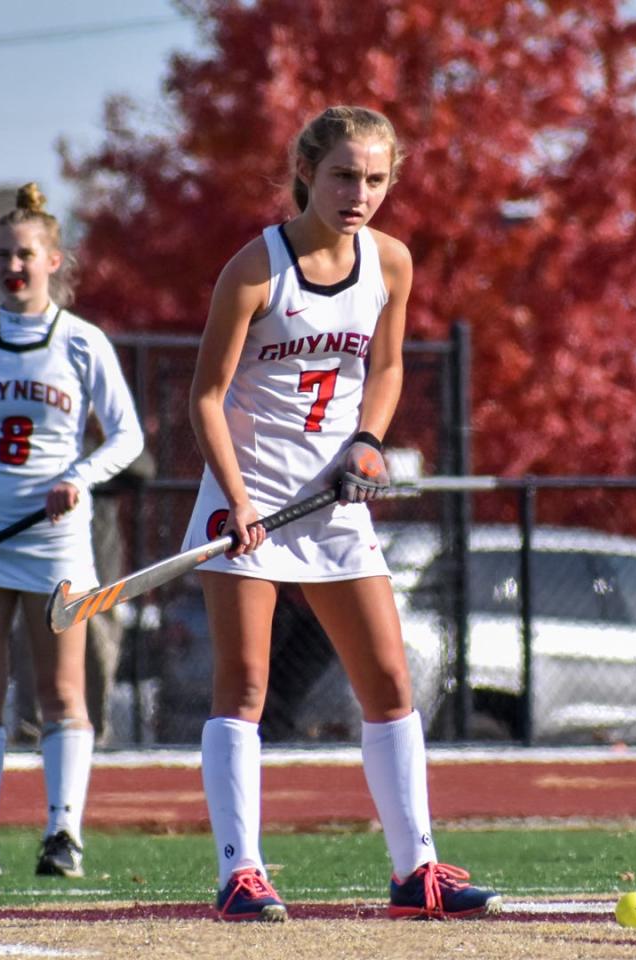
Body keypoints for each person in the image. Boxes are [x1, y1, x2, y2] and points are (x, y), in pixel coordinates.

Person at [182, 106, 502, 922]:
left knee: (390, 680)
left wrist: (368, 442)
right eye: (342, 176)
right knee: (244, 683)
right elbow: (207, 397)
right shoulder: (255, 269)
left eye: (374, 179)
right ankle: (241, 873)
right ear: (307, 172)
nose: (358, 193)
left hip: (332, 500)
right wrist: (239, 502)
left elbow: (386, 368)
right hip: (246, 498)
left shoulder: (390, 262)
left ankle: (416, 870)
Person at [0, 182, 144, 880]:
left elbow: (127, 437)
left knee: (62, 694)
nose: (14, 266)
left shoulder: (82, 342)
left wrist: (82, 476)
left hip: (55, 542)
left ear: (54, 261)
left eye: (27, 254)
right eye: (4, 255)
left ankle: (62, 836)